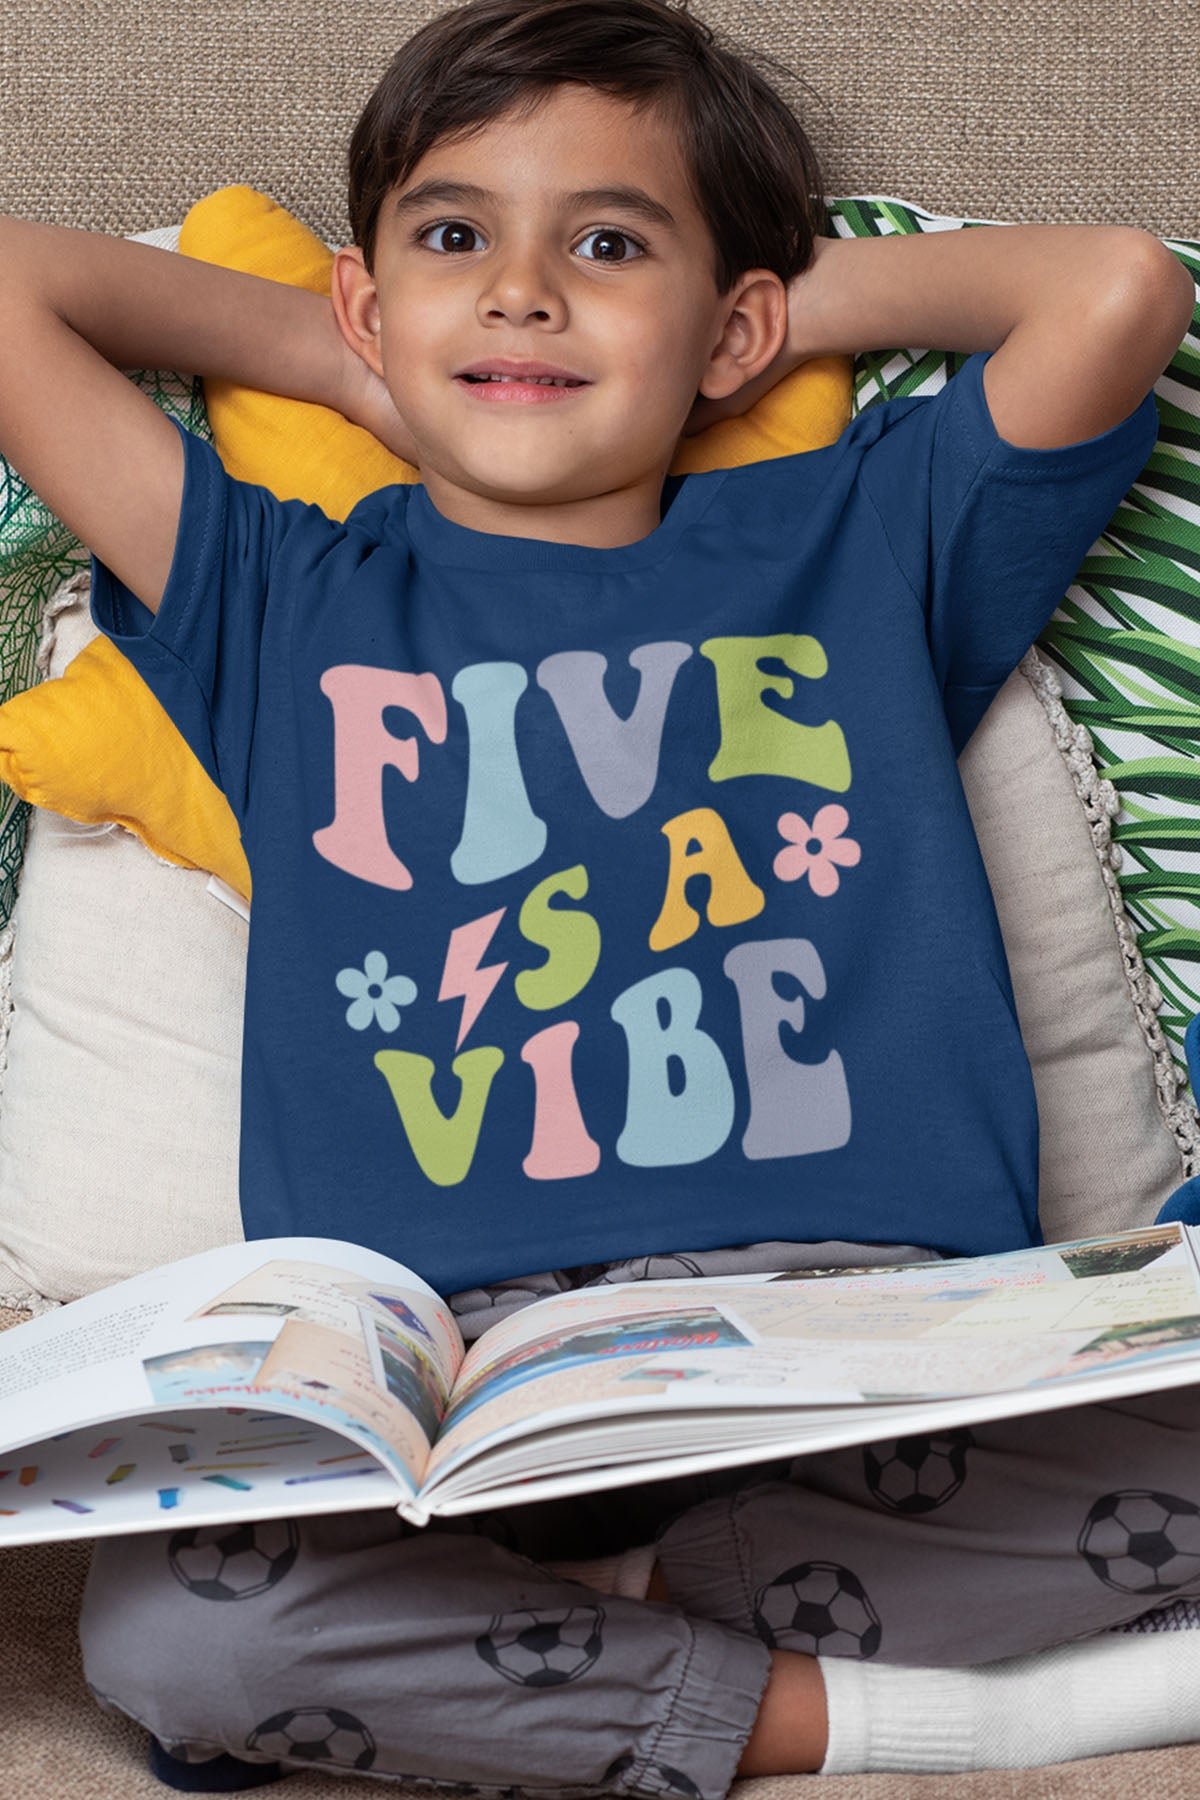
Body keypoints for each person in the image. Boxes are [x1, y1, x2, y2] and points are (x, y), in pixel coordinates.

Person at [0, 0, 1196, 1790]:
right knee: (177, 1633)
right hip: (458, 1401)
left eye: (610, 246)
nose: (522, 293)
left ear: (732, 322)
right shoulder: (279, 597)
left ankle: (584, 1638)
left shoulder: (857, 539)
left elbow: (1115, 290)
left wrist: (759, 329)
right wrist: (340, 355)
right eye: (454, 239)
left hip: (868, 1351)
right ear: (369, 301)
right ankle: (926, 1705)